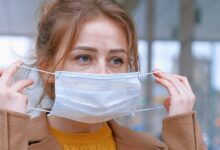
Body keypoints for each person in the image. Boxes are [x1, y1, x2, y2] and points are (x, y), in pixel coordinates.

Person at [0, 0, 207, 150]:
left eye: (116, 60)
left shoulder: (150, 147)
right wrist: (7, 129)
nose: (103, 73)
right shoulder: (15, 141)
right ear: (48, 70)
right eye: (84, 57)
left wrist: (183, 131)